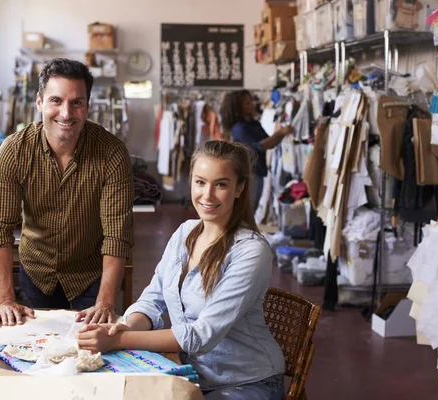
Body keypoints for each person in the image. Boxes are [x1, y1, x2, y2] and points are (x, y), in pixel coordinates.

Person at [77, 141, 285, 400]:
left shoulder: (251, 251)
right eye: (200, 182)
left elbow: (201, 336)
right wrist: (126, 327)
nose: (207, 195)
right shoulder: (185, 232)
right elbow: (153, 299)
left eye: (220, 184)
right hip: (189, 372)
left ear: (239, 188)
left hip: (246, 382)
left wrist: (119, 341)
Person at [0, 58, 134, 327]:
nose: (66, 113)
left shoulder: (111, 153)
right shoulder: (14, 151)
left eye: (77, 102)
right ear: (39, 102)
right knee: (35, 347)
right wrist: (5, 300)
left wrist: (106, 302)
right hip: (36, 272)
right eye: (56, 100)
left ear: (87, 105)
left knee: (91, 354)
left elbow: (117, 234)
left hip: (90, 275)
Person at [219, 90, 292, 207]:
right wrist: (281, 133)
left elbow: (270, 142)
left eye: (251, 101)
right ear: (238, 108)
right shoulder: (240, 128)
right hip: (249, 174)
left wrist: (280, 128)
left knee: (252, 208)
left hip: (257, 172)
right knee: (248, 209)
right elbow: (261, 146)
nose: (253, 104)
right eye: (247, 103)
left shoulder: (254, 124)